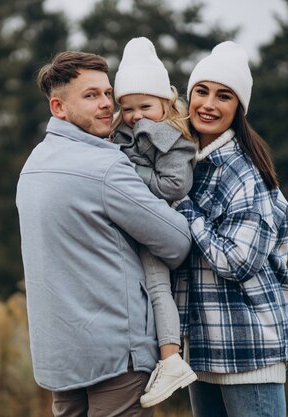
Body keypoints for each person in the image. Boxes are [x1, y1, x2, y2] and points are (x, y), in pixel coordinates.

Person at [16, 50, 192, 417]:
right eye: (91, 95)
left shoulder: (33, 165)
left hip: (59, 359)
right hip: (116, 355)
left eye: (107, 94)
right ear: (58, 107)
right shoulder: (107, 165)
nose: (105, 105)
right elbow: (176, 243)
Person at [172, 41, 288, 417]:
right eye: (201, 91)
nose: (208, 104)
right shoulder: (189, 165)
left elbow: (239, 261)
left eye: (223, 96)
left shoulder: (245, 174)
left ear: (238, 108)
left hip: (247, 351)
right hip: (204, 349)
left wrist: (184, 208)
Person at [110, 37, 197, 408]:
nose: (135, 116)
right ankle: (150, 356)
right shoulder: (122, 133)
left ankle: (170, 358)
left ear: (165, 102)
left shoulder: (172, 137)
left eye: (144, 106)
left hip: (159, 224)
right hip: (130, 224)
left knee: (159, 288)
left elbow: (175, 185)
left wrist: (130, 170)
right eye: (127, 108)